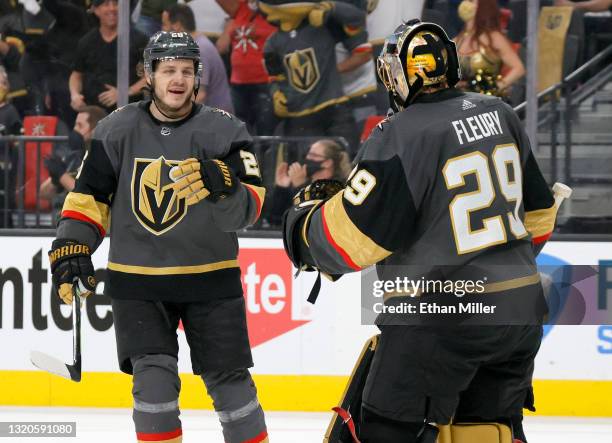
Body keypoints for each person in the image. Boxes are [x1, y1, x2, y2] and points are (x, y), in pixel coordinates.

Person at [282, 19, 559, 442]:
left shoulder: (401, 133)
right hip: (519, 313)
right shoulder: (499, 113)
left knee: (384, 428)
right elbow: (539, 218)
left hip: (441, 317)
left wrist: (302, 227)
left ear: (395, 74)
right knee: (487, 432)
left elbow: (352, 239)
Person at [48, 31, 268, 443]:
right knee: (153, 386)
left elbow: (250, 209)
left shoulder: (227, 132)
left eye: (186, 70)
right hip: (138, 282)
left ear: (198, 75)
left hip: (212, 280)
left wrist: (226, 185)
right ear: (149, 74)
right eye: (168, 70)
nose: (178, 79)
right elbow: (87, 201)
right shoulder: (115, 130)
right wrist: (71, 247)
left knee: (231, 386)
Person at [261, 0, 368, 155]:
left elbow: (357, 19)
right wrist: (276, 94)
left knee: (347, 162)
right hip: (298, 117)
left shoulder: (323, 26)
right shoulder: (272, 43)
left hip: (333, 109)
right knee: (304, 170)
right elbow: (274, 77)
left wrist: (332, 7)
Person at [69, 0, 148, 113]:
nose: (112, 8)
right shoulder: (86, 42)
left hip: (129, 113)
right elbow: (76, 75)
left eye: (116, 4)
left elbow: (151, 76)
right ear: (96, 10)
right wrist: (75, 95)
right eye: (106, 4)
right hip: (94, 113)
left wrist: (125, 92)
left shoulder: (139, 40)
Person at [216, 0, 278, 135]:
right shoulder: (240, 8)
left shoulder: (273, 11)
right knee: (240, 133)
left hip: (264, 82)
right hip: (238, 83)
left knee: (265, 133)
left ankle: (263, 156)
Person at [162, 3, 235, 113]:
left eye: (165, 25)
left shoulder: (198, 50)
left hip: (215, 122)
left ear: (176, 26)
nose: (163, 30)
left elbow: (199, 96)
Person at [40, 105, 107, 224]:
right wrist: (56, 179)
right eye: (75, 124)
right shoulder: (73, 158)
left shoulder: (105, 159)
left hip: (86, 225)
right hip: (60, 223)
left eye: (80, 126)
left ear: (95, 130)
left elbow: (90, 197)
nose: (75, 130)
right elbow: (43, 193)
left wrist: (61, 175)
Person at [269, 138, 351, 226]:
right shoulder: (305, 182)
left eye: (313, 155)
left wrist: (300, 187)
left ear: (327, 163)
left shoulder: (338, 188)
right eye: (308, 154)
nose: (308, 158)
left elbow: (312, 222)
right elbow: (274, 220)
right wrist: (282, 188)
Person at [454, 0, 525, 97]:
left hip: (485, 104)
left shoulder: (494, 38)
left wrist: (494, 88)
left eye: (472, 1)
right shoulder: (458, 40)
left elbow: (518, 68)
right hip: (459, 102)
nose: (466, 3)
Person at [0, 66, 21, 227]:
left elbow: (17, 141)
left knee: (4, 203)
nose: (2, 86)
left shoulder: (10, 111)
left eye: (4, 83)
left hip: (4, 165)